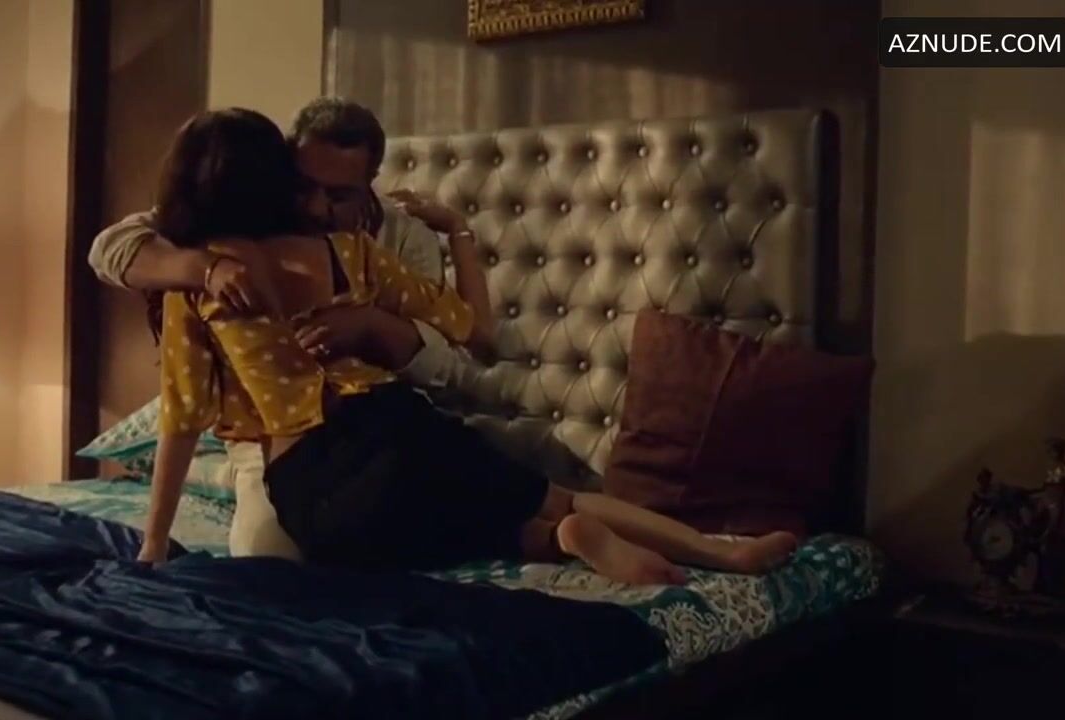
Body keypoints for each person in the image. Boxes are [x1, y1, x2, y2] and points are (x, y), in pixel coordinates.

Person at [135, 107, 798, 585]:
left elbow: (182, 416)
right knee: (550, 497)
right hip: (394, 422)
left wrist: (154, 542)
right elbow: (473, 330)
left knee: (364, 545)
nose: (318, 202)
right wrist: (458, 239)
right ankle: (712, 551)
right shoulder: (347, 251)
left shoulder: (193, 279)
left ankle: (558, 541)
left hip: (310, 477)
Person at [89, 98, 483, 558]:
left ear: (370, 181)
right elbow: (108, 250)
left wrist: (372, 326)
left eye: (338, 194)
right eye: (304, 186)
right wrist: (203, 268)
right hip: (268, 438)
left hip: (372, 420)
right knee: (270, 555)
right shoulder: (232, 230)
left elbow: (447, 364)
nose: (316, 207)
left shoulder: (397, 239)